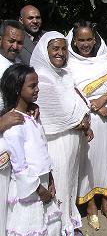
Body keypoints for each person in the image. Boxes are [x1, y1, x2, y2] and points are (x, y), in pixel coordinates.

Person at [30, 31, 93, 235]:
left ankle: (70, 220)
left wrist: (83, 117)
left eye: (64, 48)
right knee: (58, 183)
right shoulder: (41, 77)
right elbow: (59, 114)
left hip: (72, 140)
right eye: (55, 49)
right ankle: (59, 227)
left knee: (70, 182)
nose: (61, 53)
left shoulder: (65, 74)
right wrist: (81, 120)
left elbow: (81, 102)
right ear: (44, 51)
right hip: (55, 142)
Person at [66, 20, 107, 230]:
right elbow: (70, 91)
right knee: (88, 164)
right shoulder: (69, 63)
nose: (85, 44)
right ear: (74, 41)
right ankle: (90, 207)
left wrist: (103, 99)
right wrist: (95, 106)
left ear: (95, 39)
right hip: (86, 119)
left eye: (89, 39)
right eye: (81, 40)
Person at [1, 63, 62, 235]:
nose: (37, 89)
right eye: (32, 86)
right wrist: (39, 190)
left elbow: (42, 150)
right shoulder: (14, 124)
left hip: (42, 182)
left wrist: (50, 179)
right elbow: (20, 166)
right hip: (29, 189)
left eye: (37, 84)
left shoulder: (32, 115)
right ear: (17, 89)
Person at [0, 19, 26, 234]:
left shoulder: (18, 65)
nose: (15, 46)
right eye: (11, 41)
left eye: (19, 42)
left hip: (12, 143)